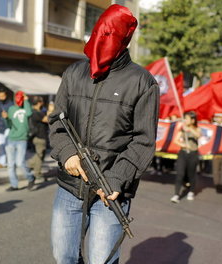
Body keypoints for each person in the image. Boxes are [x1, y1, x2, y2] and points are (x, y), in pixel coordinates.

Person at [49, 5, 159, 263]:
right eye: (98, 32)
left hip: (111, 192)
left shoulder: (143, 82)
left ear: (123, 39)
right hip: (69, 184)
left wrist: (115, 179)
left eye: (109, 35)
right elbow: (57, 121)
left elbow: (144, 140)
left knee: (102, 260)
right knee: (63, 256)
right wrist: (68, 155)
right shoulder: (74, 73)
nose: (100, 40)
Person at [3, 91, 35, 191]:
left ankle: (30, 177)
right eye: (16, 97)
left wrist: (26, 100)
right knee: (10, 164)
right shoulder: (11, 109)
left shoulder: (26, 107)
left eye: (20, 97)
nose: (18, 100)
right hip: (11, 139)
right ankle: (14, 185)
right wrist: (6, 118)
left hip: (22, 139)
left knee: (20, 162)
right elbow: (8, 125)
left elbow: (29, 113)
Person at [170, 111, 201, 203]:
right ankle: (176, 194)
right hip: (183, 154)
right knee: (180, 174)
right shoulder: (182, 129)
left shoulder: (197, 129)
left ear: (192, 120)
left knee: (191, 174)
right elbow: (175, 140)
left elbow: (198, 135)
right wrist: (183, 145)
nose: (185, 120)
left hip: (193, 154)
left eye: (187, 118)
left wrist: (189, 129)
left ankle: (191, 191)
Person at [27, 96, 51, 179]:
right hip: (40, 137)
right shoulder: (36, 112)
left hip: (38, 136)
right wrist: (51, 110)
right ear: (39, 103)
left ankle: (31, 166)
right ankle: (35, 171)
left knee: (41, 154)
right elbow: (47, 119)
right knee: (39, 155)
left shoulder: (35, 111)